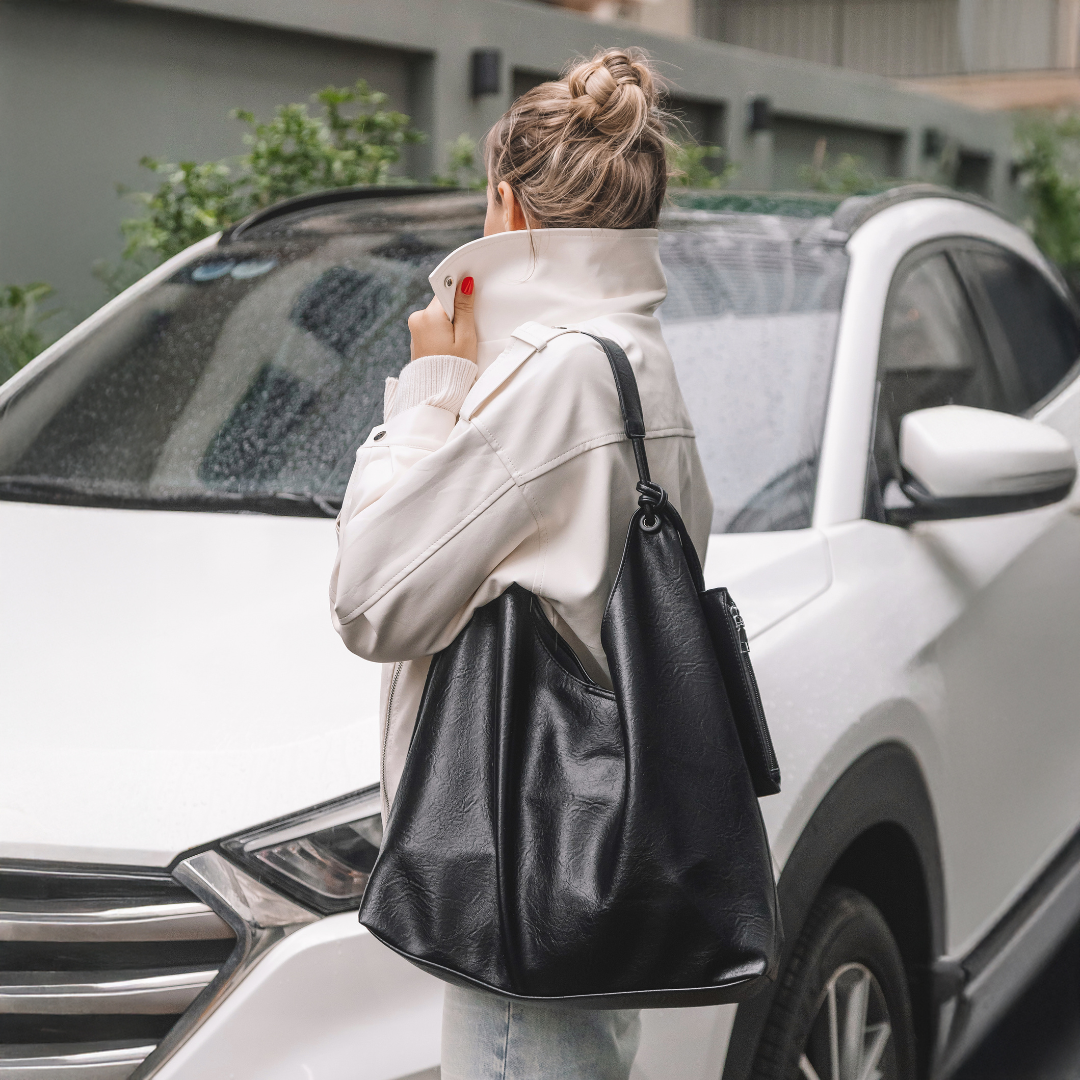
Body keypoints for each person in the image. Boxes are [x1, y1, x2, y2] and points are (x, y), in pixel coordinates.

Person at [330, 46, 713, 1080]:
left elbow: (371, 600)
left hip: (525, 864)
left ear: (506, 205)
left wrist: (434, 391)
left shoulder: (554, 378)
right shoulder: (637, 359)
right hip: (597, 843)